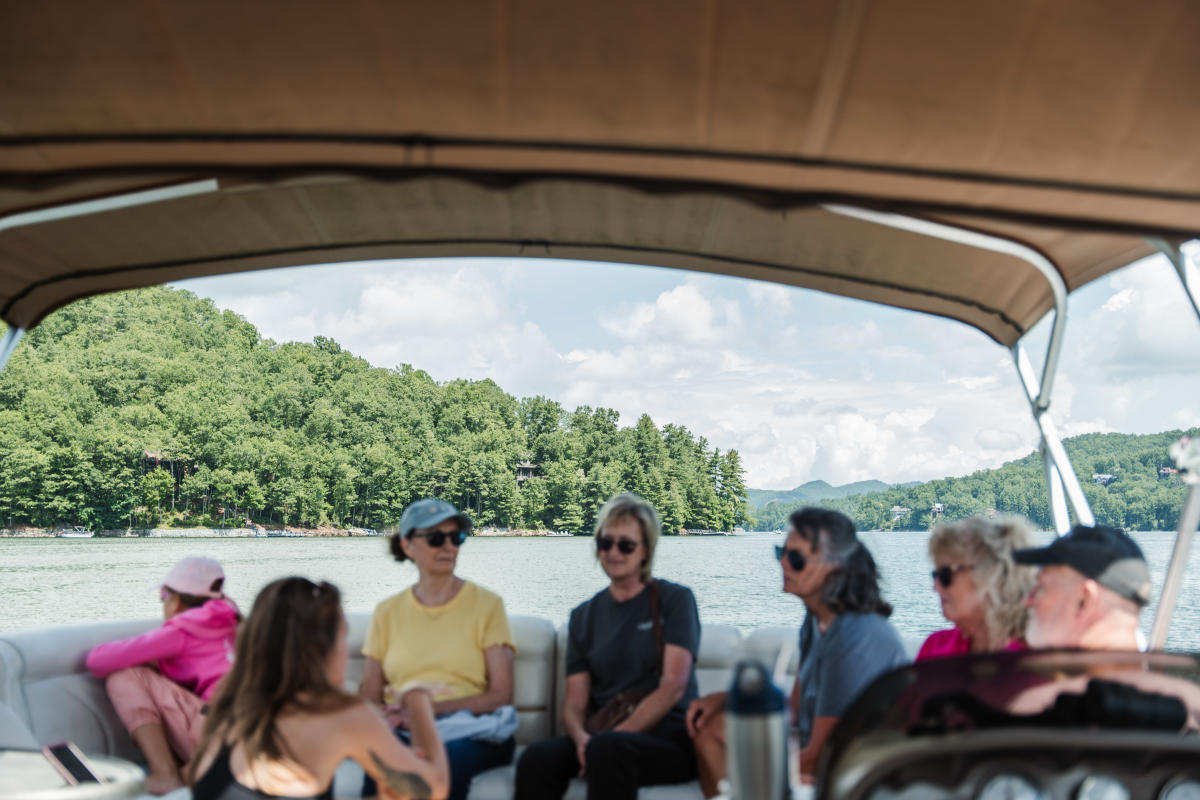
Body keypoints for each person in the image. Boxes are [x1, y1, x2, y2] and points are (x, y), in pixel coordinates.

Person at [687, 507, 908, 794]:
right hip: (822, 760)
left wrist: (760, 771)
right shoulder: (817, 621)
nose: (783, 564)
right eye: (782, 553)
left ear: (835, 568)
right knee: (711, 730)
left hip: (855, 778)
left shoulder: (855, 635)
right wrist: (724, 699)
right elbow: (792, 709)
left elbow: (819, 756)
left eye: (796, 559)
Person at [189, 577, 449, 800]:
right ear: (325, 647)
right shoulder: (339, 714)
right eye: (343, 636)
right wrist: (418, 701)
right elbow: (433, 789)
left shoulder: (231, 693)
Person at [514, 493, 701, 800]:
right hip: (602, 738)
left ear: (646, 551)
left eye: (626, 545)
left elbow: (672, 688)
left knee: (610, 750)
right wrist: (581, 741)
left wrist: (609, 739)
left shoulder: (675, 600)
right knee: (537, 759)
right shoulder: (583, 616)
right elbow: (574, 704)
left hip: (671, 738)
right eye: (606, 542)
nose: (614, 552)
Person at [359, 498, 516, 800]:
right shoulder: (387, 612)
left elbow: (501, 695)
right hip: (401, 728)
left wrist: (426, 711)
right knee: (382, 761)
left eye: (455, 537)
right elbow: (370, 695)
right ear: (408, 546)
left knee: (445, 762)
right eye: (435, 538)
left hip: (470, 731)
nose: (448, 547)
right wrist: (387, 718)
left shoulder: (487, 606)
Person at [1008, 523, 1200, 728]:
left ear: (1084, 600)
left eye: (1041, 587)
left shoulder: (1032, 709)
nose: (1028, 600)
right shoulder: (1192, 707)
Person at [86, 556, 239, 795]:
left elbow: (97, 661)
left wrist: (149, 658)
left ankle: (164, 773)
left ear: (175, 600)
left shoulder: (181, 631)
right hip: (245, 734)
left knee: (126, 676)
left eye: (162, 597)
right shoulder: (235, 621)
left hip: (217, 737)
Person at [916, 515, 1036, 660]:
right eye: (935, 575)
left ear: (990, 575)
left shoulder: (1030, 659)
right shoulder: (935, 647)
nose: (935, 587)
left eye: (945, 575)